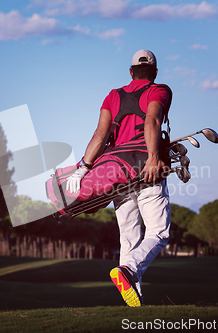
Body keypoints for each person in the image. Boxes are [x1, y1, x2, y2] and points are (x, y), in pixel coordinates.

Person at [66, 50, 172, 307]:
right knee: (159, 233)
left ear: (130, 71)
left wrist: (83, 168)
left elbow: (100, 135)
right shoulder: (159, 90)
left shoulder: (113, 96)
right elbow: (152, 121)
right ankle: (129, 269)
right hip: (147, 170)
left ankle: (133, 301)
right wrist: (153, 157)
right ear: (155, 72)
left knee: (129, 237)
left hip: (118, 175)